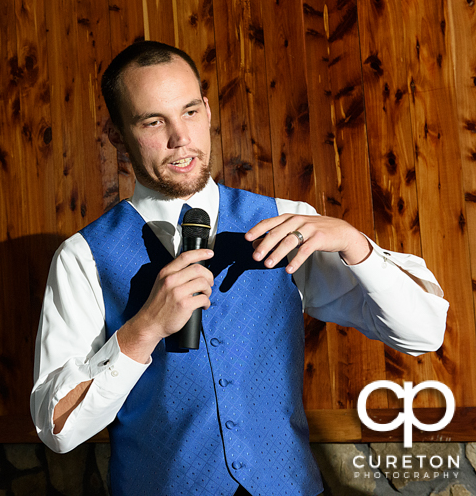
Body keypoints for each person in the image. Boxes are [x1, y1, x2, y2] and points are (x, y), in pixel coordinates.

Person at [30, 40, 448, 496]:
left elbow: (423, 333)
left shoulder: (285, 221)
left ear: (207, 111)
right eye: (154, 122)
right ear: (117, 136)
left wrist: (355, 244)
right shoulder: (82, 257)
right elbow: (58, 430)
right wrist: (142, 330)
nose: (180, 138)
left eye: (190, 112)